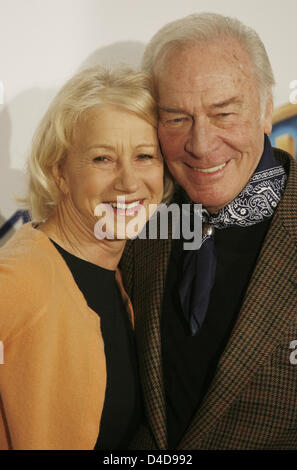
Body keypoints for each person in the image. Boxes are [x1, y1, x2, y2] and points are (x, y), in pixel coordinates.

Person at [120, 13, 297, 450]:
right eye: (177, 118)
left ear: (264, 110)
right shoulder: (139, 225)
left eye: (224, 113)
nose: (200, 144)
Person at [0, 65, 172, 450]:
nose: (129, 182)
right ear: (58, 171)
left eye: (145, 156)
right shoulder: (20, 278)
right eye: (102, 159)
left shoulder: (124, 272)